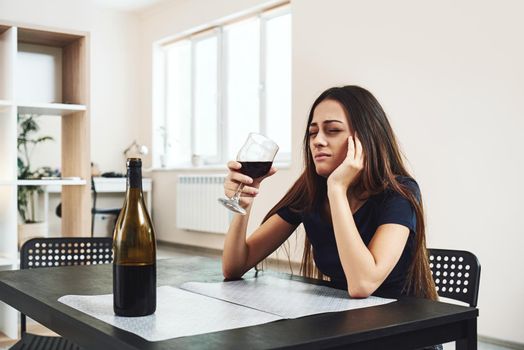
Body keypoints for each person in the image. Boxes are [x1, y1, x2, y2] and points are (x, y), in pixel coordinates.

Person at [222, 85, 437, 300]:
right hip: (343, 320)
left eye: (333, 130)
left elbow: (362, 284)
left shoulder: (400, 192)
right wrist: (243, 202)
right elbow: (235, 267)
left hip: (402, 322)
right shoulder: (310, 191)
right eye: (312, 133)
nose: (317, 141)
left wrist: (337, 189)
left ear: (366, 138)